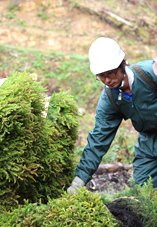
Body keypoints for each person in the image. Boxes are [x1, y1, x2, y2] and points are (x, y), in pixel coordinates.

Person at [67, 37, 157, 193]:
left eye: (111, 73)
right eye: (101, 76)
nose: (107, 80)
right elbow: (98, 140)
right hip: (148, 143)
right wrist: (78, 180)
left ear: (123, 64)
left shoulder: (150, 74)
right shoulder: (110, 99)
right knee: (143, 194)